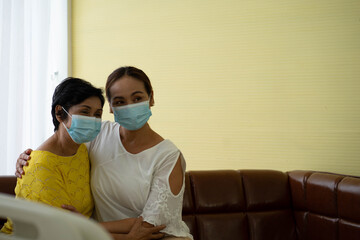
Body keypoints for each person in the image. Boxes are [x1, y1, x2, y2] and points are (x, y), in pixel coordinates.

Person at [15, 67, 193, 240]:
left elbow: (151, 226)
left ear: (151, 98)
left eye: (137, 98)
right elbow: (62, 141)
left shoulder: (168, 156)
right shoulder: (98, 134)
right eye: (120, 101)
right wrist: (29, 157)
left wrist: (82, 224)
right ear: (110, 107)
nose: (129, 107)